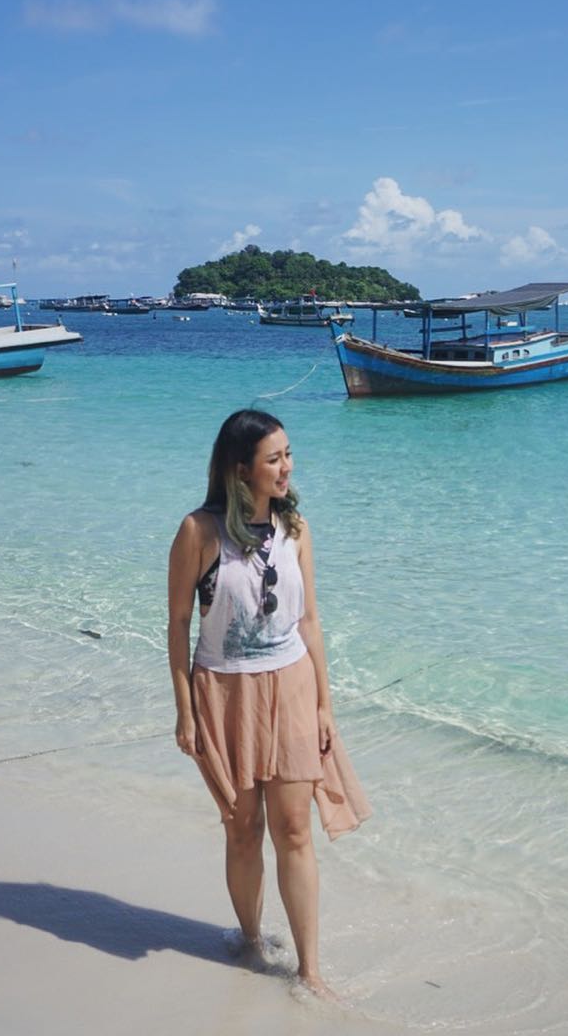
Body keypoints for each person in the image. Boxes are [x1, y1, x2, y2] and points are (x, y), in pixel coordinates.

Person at [168, 408, 370, 995]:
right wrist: (185, 711)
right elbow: (179, 624)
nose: (287, 467)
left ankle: (309, 970)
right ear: (241, 469)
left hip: (292, 687)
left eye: (288, 455)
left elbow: (309, 622)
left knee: (295, 830)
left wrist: (325, 706)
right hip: (224, 691)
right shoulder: (198, 533)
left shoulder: (297, 529)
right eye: (274, 458)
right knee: (241, 827)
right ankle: (251, 941)